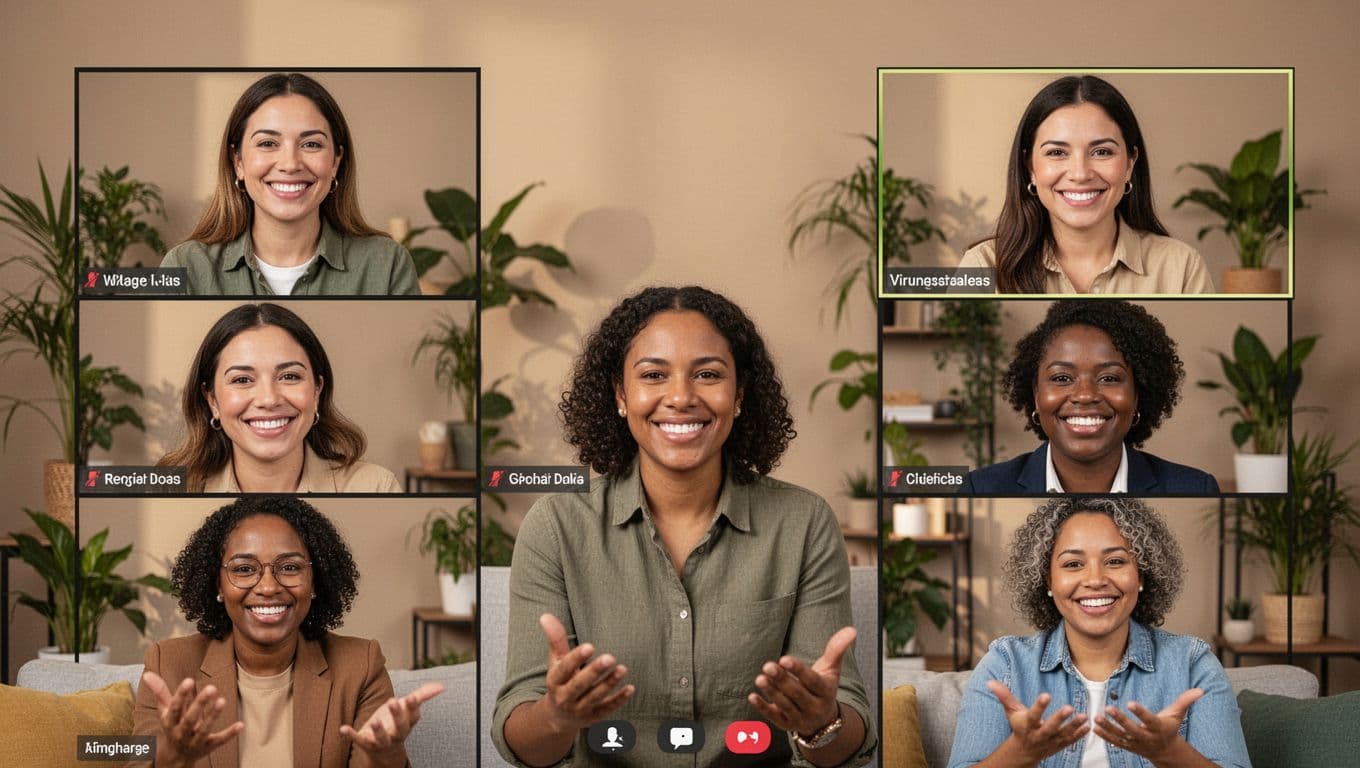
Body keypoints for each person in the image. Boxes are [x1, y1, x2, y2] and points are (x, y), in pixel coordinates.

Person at [492, 286, 875, 767]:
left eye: (708, 374)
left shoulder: (804, 523)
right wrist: (556, 715)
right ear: (620, 395)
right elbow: (521, 742)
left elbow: (848, 743)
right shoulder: (556, 526)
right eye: (653, 375)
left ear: (739, 395)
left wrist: (820, 721)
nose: (680, 397)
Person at [134, 496, 443, 767]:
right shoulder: (168, 664)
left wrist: (384, 755)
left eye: (290, 567)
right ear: (218, 584)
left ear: (314, 581)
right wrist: (171, 757)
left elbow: (373, 758)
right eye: (244, 569)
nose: (268, 587)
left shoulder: (360, 665)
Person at [947, 498, 1250, 767]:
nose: (1095, 579)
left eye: (1115, 561)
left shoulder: (1192, 664)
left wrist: (1171, 754)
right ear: (1048, 580)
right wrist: (1018, 754)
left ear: (1141, 575)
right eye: (1073, 564)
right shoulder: (1005, 665)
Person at [161, 72, 420, 296]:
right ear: (238, 161)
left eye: (311, 144)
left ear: (336, 161)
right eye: (267, 143)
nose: (290, 164)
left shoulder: (388, 264)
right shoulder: (182, 265)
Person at [957, 75, 1213, 294]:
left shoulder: (1182, 267)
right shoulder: (981, 266)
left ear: (1130, 163)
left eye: (1101, 152)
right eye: (1057, 153)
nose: (1080, 174)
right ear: (1030, 167)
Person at [961, 300, 1218, 494]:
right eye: (1062, 378)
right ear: (1036, 394)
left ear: (1137, 395)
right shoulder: (980, 487)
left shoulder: (1195, 487)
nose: (1085, 395)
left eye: (1109, 378)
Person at [159, 303, 400, 493]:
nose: (269, 399)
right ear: (212, 400)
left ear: (317, 390)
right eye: (242, 380)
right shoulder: (169, 488)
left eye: (289, 376)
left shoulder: (375, 486)